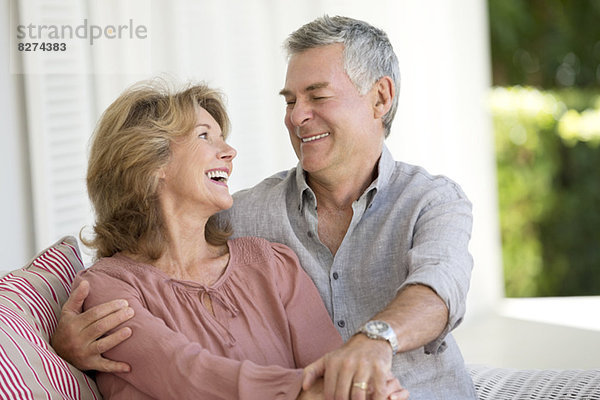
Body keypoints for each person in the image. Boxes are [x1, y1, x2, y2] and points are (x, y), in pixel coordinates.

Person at [53, 15, 476, 400]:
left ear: (380, 98)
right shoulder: (236, 217)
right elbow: (149, 256)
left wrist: (375, 342)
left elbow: (438, 289)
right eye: (290, 101)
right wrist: (63, 347)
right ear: (149, 162)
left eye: (317, 96)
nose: (296, 117)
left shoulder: (432, 201)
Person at [67, 80, 407, 400]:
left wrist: (366, 389)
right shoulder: (105, 288)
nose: (229, 151)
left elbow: (332, 364)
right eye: (205, 136)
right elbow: (184, 372)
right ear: (151, 162)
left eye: (222, 138)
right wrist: (304, 393)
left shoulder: (272, 264)